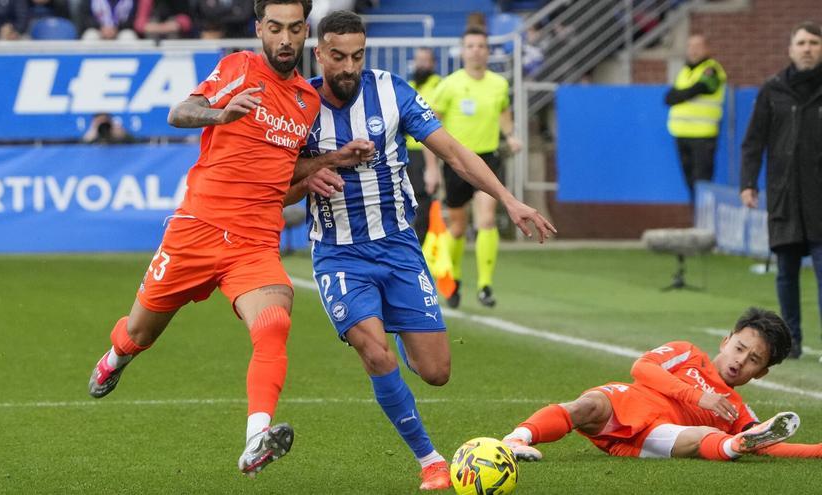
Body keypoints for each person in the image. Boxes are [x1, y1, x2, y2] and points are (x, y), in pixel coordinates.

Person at [85, 0, 369, 478]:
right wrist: (220, 115)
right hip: (196, 229)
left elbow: (283, 174)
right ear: (260, 29)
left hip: (254, 241)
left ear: (306, 35)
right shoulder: (238, 68)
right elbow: (180, 112)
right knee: (139, 333)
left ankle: (257, 436)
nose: (284, 39)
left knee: (275, 321)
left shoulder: (307, 101)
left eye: (294, 29)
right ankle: (114, 358)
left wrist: (331, 160)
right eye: (275, 28)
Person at [288, 11, 556, 491]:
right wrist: (315, 172)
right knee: (375, 352)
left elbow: (453, 151)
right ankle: (430, 459)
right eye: (338, 57)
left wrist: (508, 199)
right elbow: (274, 187)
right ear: (319, 53)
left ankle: (401, 332)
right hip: (339, 253)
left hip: (399, 249)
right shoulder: (299, 104)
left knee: (435, 372)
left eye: (357, 56)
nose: (349, 66)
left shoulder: (392, 91)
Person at [501, 307, 822, 462]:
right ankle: (517, 439)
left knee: (708, 437)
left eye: (754, 359)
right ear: (726, 341)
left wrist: (817, 451)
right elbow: (642, 368)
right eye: (739, 348)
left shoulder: (736, 408)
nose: (740, 360)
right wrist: (699, 397)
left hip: (661, 437)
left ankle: (734, 446)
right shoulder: (686, 352)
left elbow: (769, 443)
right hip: (630, 403)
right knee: (587, 405)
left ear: (761, 373)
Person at [741, 21, 822, 361]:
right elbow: (754, 141)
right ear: (790, 49)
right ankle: (793, 344)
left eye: (814, 43)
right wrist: (748, 182)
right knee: (786, 274)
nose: (807, 48)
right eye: (801, 42)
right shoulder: (772, 89)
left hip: (819, 198)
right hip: (784, 196)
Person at [431, 26, 523, 309]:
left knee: (486, 219)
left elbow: (504, 115)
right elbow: (432, 126)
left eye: (481, 45)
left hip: (488, 159)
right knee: (457, 226)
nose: (476, 50)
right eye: (470, 46)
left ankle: (485, 286)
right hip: (457, 161)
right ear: (462, 50)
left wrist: (510, 135)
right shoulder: (449, 84)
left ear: (487, 50)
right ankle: (454, 279)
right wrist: (432, 168)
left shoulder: (498, 84)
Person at [664, 33, 727, 201]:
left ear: (707, 48)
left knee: (702, 181)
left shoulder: (711, 69)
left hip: (703, 135)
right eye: (690, 46)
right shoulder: (684, 71)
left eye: (698, 46)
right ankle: (695, 217)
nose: (693, 51)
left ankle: (702, 220)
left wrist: (681, 95)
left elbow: (701, 88)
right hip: (681, 134)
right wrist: (682, 95)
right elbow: (668, 98)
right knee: (689, 182)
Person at [406, 47, 442, 245]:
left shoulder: (438, 86)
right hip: (406, 149)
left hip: (426, 150)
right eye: (418, 60)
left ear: (433, 64)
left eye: (425, 60)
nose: (421, 64)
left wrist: (432, 165)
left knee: (422, 196)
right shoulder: (409, 86)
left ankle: (422, 241)